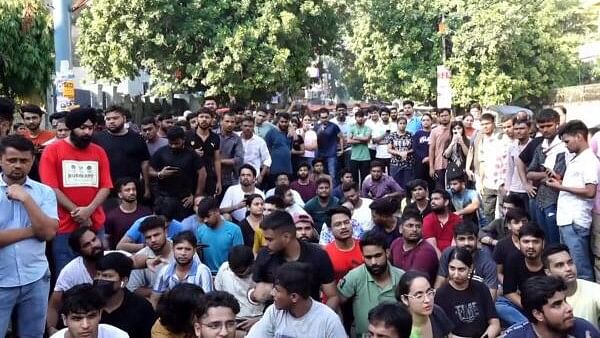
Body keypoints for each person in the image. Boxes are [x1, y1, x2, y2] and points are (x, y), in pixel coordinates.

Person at [40, 107, 113, 272]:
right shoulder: (52, 151)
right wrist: (78, 213)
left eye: (90, 128)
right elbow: (51, 188)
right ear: (71, 128)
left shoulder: (99, 151)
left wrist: (89, 211)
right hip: (64, 226)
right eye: (82, 128)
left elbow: (106, 186)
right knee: (67, 273)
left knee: (99, 271)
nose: (87, 132)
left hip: (95, 224)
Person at [0, 135, 58, 338]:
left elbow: (49, 234)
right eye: (12, 160)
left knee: (33, 335)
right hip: (1, 280)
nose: (18, 166)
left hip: (35, 277)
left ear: (32, 161)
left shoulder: (44, 192)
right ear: (1, 160)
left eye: (24, 161)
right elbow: (44, 231)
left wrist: (25, 198)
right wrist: (34, 231)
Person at [249, 210, 339, 308]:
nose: (266, 244)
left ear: (286, 237)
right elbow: (255, 292)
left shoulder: (317, 255)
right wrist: (256, 295)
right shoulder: (264, 255)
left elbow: (333, 296)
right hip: (274, 318)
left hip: (309, 317)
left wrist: (321, 320)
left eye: (270, 239)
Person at [545, 120, 598, 282]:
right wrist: (560, 182)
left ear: (579, 137)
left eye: (567, 141)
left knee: (580, 268)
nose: (566, 146)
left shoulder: (589, 160)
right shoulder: (578, 158)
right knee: (571, 265)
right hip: (567, 219)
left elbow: (590, 191)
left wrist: (561, 188)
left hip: (575, 220)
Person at [247, 262, 347, 338]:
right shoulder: (274, 312)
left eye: (277, 290)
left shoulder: (329, 321)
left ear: (294, 297)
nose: (272, 293)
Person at [337, 231, 404, 337]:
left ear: (387, 253)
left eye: (378, 256)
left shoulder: (401, 277)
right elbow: (337, 301)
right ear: (363, 256)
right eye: (368, 257)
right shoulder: (354, 276)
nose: (373, 262)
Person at [47, 227, 105, 334]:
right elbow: (54, 305)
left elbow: (137, 259)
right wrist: (51, 330)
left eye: (94, 239)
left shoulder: (114, 257)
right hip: (84, 323)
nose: (94, 245)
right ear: (79, 251)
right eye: (87, 245)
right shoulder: (70, 271)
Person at [502, 276, 600, 338]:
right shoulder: (515, 336)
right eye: (557, 305)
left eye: (565, 301)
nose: (569, 308)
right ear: (538, 314)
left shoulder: (584, 330)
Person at [434, 247, 500, 337]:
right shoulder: (441, 294)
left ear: (470, 268)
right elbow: (445, 333)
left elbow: (494, 323)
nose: (456, 274)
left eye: (461, 269)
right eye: (452, 268)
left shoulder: (481, 288)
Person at [526, 108, 568, 245]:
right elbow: (530, 173)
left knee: (555, 242)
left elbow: (557, 177)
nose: (545, 130)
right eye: (542, 126)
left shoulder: (564, 147)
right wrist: (544, 174)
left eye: (549, 125)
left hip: (556, 200)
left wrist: (543, 177)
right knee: (543, 240)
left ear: (557, 124)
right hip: (540, 199)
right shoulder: (540, 147)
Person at [92, 105, 151, 201]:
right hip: (106, 190)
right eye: (108, 119)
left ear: (124, 118)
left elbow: (144, 163)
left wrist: (147, 187)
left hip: (131, 189)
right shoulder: (97, 139)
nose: (111, 121)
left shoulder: (137, 138)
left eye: (115, 118)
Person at [150, 126, 206, 220]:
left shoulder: (191, 154)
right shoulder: (161, 152)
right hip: (164, 197)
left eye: (177, 143)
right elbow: (149, 170)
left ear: (183, 139)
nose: (173, 146)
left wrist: (196, 196)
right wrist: (160, 174)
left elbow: (202, 173)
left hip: (184, 198)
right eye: (171, 143)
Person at [496, 223, 547, 327]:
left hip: (548, 305)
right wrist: (529, 307)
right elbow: (509, 291)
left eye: (535, 242)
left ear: (543, 243)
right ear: (519, 244)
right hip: (525, 304)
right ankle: (528, 325)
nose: (531, 246)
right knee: (498, 304)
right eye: (526, 242)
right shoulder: (513, 259)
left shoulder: (550, 260)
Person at [95, 252, 156, 338]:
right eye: (97, 275)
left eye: (107, 276)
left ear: (124, 281)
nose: (100, 280)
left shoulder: (141, 307)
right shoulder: (88, 303)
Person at [434, 222, 498, 298]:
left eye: (470, 238)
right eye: (462, 239)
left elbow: (490, 297)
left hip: (477, 301)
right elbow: (440, 281)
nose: (466, 243)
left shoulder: (488, 262)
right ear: (455, 239)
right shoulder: (448, 254)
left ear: (477, 239)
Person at [543, 243, 600, 327]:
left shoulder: (594, 290)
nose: (568, 269)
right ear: (548, 272)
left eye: (570, 263)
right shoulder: (543, 298)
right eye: (560, 265)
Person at [151, 231, 213, 307]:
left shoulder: (202, 271)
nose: (183, 253)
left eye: (188, 249)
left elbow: (208, 302)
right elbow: (154, 299)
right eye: (179, 248)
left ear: (194, 251)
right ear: (173, 249)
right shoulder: (165, 271)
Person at [466, 113, 508, 223]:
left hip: (502, 181)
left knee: (504, 212)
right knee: (487, 213)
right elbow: (481, 162)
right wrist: (480, 181)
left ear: (493, 123)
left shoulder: (502, 137)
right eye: (482, 124)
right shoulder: (480, 138)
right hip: (487, 181)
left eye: (487, 124)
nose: (485, 126)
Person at [51, 284, 129, 338]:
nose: (85, 325)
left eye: (91, 316)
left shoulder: (118, 336)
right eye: (77, 319)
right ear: (65, 319)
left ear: (100, 314)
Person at [127, 216, 177, 299]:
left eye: (156, 235)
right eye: (148, 237)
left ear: (165, 232)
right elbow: (133, 288)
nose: (153, 240)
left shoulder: (183, 249)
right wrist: (162, 292)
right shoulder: (140, 257)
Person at [215, 246, 263, 330]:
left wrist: (259, 320)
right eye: (233, 271)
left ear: (252, 264)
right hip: (232, 319)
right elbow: (218, 293)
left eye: (241, 272)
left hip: (257, 319)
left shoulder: (262, 273)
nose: (236, 274)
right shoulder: (224, 269)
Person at [396, 271, 453, 338]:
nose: (427, 300)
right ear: (405, 299)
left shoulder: (437, 312)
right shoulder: (397, 327)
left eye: (429, 293)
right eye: (419, 296)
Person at [116, 196, 184, 253]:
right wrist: (147, 246)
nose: (165, 224)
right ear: (154, 214)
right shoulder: (140, 223)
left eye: (168, 221)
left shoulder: (180, 227)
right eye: (162, 220)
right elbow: (120, 246)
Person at [196, 197, 244, 272]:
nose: (205, 220)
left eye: (208, 216)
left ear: (217, 211)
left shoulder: (234, 230)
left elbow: (239, 257)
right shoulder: (200, 230)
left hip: (228, 274)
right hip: (207, 273)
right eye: (203, 218)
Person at [390, 210, 439, 283]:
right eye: (410, 226)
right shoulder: (396, 243)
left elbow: (412, 282)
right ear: (400, 229)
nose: (414, 230)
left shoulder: (426, 251)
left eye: (418, 226)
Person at [104, 177, 152, 249]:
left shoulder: (146, 212)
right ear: (120, 194)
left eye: (134, 189)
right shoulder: (111, 216)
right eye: (127, 190)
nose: (132, 192)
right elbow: (106, 238)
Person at [185, 108, 222, 196]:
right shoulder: (187, 135)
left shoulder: (215, 137)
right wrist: (192, 153)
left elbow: (217, 160)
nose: (204, 119)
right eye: (201, 117)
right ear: (197, 119)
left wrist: (219, 181)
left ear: (212, 120)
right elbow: (180, 154)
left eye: (207, 117)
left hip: (209, 177)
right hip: (191, 177)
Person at [324, 206, 365, 282]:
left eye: (346, 222)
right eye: (338, 224)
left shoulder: (365, 247)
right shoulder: (325, 254)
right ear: (330, 229)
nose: (343, 227)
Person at [491, 208, 529, 283]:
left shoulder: (536, 242)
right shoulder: (501, 245)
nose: (521, 225)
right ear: (509, 226)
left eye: (524, 221)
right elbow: (499, 273)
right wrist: (509, 287)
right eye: (516, 222)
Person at [422, 189, 462, 257]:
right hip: (433, 257)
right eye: (432, 199)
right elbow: (432, 246)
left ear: (446, 202)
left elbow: (455, 244)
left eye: (436, 199)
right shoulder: (427, 219)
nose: (432, 202)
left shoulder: (457, 220)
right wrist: (443, 263)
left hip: (453, 257)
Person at [504, 118, 532, 209]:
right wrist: (507, 188)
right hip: (514, 189)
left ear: (529, 129)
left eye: (522, 128)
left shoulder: (534, 145)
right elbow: (510, 168)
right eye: (516, 129)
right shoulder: (512, 147)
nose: (518, 131)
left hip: (529, 190)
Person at [264, 112, 296, 185]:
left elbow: (292, 147)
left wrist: (293, 132)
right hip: (274, 168)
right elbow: (266, 151)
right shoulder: (271, 133)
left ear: (289, 122)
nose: (284, 124)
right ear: (278, 121)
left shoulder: (290, 133)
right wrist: (267, 167)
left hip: (287, 168)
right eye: (282, 122)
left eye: (286, 122)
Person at [240, 116, 271, 186]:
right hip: (237, 177)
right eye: (245, 126)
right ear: (241, 126)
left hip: (254, 178)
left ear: (253, 127)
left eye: (250, 126)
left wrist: (261, 176)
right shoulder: (236, 138)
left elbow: (267, 160)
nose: (248, 128)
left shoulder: (260, 141)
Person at [218, 111, 244, 193]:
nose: (230, 124)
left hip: (228, 178)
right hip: (212, 177)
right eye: (227, 121)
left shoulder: (237, 139)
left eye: (232, 122)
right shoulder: (213, 135)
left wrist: (219, 161)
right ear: (221, 122)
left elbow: (239, 159)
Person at [387, 116, 415, 189]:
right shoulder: (392, 135)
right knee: (395, 184)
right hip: (395, 163)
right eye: (400, 123)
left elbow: (414, 148)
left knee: (408, 184)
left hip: (408, 163)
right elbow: (389, 149)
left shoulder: (410, 135)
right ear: (397, 124)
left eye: (404, 123)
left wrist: (407, 152)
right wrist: (399, 153)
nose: (402, 125)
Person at [315, 108, 344, 178]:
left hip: (331, 154)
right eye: (322, 117)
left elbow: (341, 137)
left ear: (328, 116)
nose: (324, 119)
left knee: (332, 174)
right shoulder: (316, 127)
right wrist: (319, 131)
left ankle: (333, 189)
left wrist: (342, 150)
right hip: (320, 154)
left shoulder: (334, 126)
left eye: (326, 117)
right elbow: (313, 139)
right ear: (319, 117)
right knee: (321, 175)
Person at [428, 108, 451, 189]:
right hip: (439, 165)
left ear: (450, 116)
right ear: (438, 117)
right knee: (440, 190)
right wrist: (431, 167)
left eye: (446, 115)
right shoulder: (434, 131)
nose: (444, 118)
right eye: (442, 116)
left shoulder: (455, 128)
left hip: (454, 165)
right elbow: (431, 149)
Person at [348, 109, 372, 184]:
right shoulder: (351, 128)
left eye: (361, 117)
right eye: (358, 117)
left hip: (365, 157)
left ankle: (364, 194)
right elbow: (349, 141)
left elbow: (367, 138)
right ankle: (355, 192)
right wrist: (363, 141)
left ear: (364, 118)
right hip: (354, 157)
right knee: (354, 179)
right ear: (355, 118)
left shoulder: (368, 128)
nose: (360, 118)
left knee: (365, 178)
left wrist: (355, 137)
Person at [443, 121, 470, 186]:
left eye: (459, 128)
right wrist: (452, 143)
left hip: (464, 168)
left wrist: (462, 143)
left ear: (463, 129)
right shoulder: (448, 140)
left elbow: (468, 155)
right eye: (454, 129)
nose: (456, 130)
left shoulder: (468, 140)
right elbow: (446, 155)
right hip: (452, 168)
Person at [370, 107, 396, 174]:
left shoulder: (394, 125)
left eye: (386, 114)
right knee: (381, 175)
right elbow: (374, 140)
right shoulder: (377, 126)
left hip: (392, 155)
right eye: (383, 115)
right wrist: (385, 134)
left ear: (389, 115)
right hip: (380, 155)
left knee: (392, 175)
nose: (384, 116)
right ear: (380, 116)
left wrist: (381, 142)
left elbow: (396, 140)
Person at [412, 113, 433, 190]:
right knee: (420, 183)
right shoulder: (418, 133)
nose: (425, 122)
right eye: (423, 120)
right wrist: (424, 157)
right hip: (420, 162)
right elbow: (415, 148)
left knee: (432, 183)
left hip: (432, 162)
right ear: (421, 122)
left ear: (431, 121)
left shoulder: (434, 132)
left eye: (428, 120)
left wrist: (429, 158)